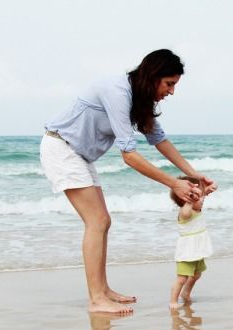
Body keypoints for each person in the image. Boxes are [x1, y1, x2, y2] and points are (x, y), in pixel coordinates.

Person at [39, 49, 217, 314]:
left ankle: (103, 290)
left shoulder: (139, 98)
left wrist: (193, 175)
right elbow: (129, 156)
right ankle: (96, 299)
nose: (171, 92)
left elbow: (159, 140)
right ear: (153, 76)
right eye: (169, 84)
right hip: (62, 148)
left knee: (103, 221)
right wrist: (173, 183)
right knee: (96, 221)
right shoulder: (118, 91)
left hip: (80, 155)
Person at [169, 176, 213, 310]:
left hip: (198, 249)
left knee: (196, 274)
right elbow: (187, 211)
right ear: (187, 199)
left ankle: (186, 292)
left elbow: (202, 195)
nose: (202, 199)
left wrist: (207, 189)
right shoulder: (185, 212)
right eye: (198, 197)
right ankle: (173, 300)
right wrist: (190, 201)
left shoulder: (197, 208)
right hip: (187, 251)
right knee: (182, 278)